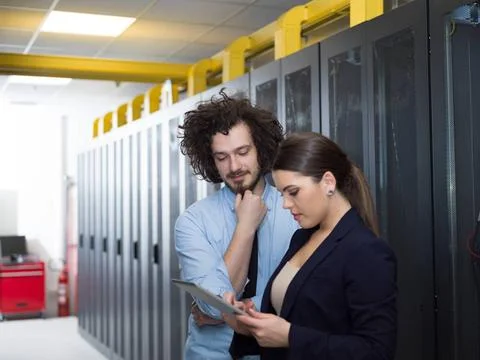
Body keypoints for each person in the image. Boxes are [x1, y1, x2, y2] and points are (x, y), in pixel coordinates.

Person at [225, 132, 398, 360]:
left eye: (293, 192)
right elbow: (291, 321)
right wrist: (246, 325)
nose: (286, 204)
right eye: (282, 194)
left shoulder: (366, 251)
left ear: (328, 182)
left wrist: (290, 336)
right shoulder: (302, 238)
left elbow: (376, 352)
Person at [175, 90, 299, 359]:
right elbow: (212, 307)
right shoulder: (193, 221)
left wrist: (230, 314)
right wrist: (246, 226)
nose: (234, 166)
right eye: (222, 157)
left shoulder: (296, 210)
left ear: (261, 149)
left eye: (243, 152)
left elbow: (313, 303)